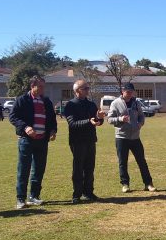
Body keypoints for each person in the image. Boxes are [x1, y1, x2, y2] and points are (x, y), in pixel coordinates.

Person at [9, 76, 58, 209]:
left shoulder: (46, 101)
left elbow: (52, 118)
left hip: (42, 140)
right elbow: (13, 117)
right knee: (23, 169)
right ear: (32, 86)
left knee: (39, 169)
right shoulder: (22, 100)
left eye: (44, 87)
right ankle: (21, 199)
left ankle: (34, 196)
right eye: (40, 86)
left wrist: (53, 130)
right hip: (26, 140)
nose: (43, 89)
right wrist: (26, 127)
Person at [107, 83, 156, 193]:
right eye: (127, 92)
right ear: (122, 91)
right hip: (121, 137)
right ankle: (125, 184)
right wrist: (120, 119)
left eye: (131, 92)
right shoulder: (115, 103)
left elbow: (141, 116)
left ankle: (148, 183)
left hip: (135, 137)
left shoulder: (136, 102)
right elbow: (109, 119)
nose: (129, 94)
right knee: (122, 162)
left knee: (142, 161)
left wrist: (140, 124)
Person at [63, 80, 105, 204]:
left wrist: (100, 118)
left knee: (89, 167)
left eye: (88, 88)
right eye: (85, 88)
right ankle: (76, 194)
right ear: (77, 91)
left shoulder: (91, 104)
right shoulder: (71, 105)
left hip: (90, 140)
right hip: (77, 141)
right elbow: (72, 123)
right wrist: (89, 121)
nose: (87, 90)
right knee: (78, 168)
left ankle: (88, 192)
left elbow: (96, 121)